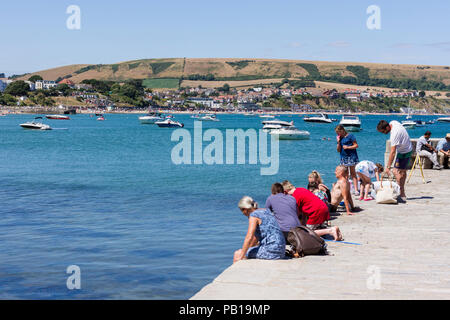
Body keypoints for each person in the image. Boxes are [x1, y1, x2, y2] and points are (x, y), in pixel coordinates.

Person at [234, 196, 286, 263]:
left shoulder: (254, 216)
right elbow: (256, 238)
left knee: (237, 253)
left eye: (242, 210)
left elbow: (249, 237)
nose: (242, 213)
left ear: (245, 209)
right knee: (246, 251)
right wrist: (248, 249)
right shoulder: (266, 210)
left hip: (271, 251)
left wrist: (241, 255)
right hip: (281, 250)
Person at [377, 120, 413, 203]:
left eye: (383, 131)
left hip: (405, 151)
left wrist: (388, 167)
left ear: (387, 127)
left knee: (396, 171)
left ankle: (401, 193)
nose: (383, 133)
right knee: (402, 172)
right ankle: (402, 194)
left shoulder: (394, 135)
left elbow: (392, 152)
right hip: (405, 149)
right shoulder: (393, 122)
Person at [335, 125, 360, 196]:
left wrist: (348, 147)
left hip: (352, 157)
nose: (337, 134)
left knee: (353, 173)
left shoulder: (350, 136)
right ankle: (346, 189)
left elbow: (356, 145)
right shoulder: (340, 138)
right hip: (343, 157)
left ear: (342, 130)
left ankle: (356, 190)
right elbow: (338, 150)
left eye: (338, 132)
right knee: (344, 174)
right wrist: (338, 142)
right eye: (337, 133)